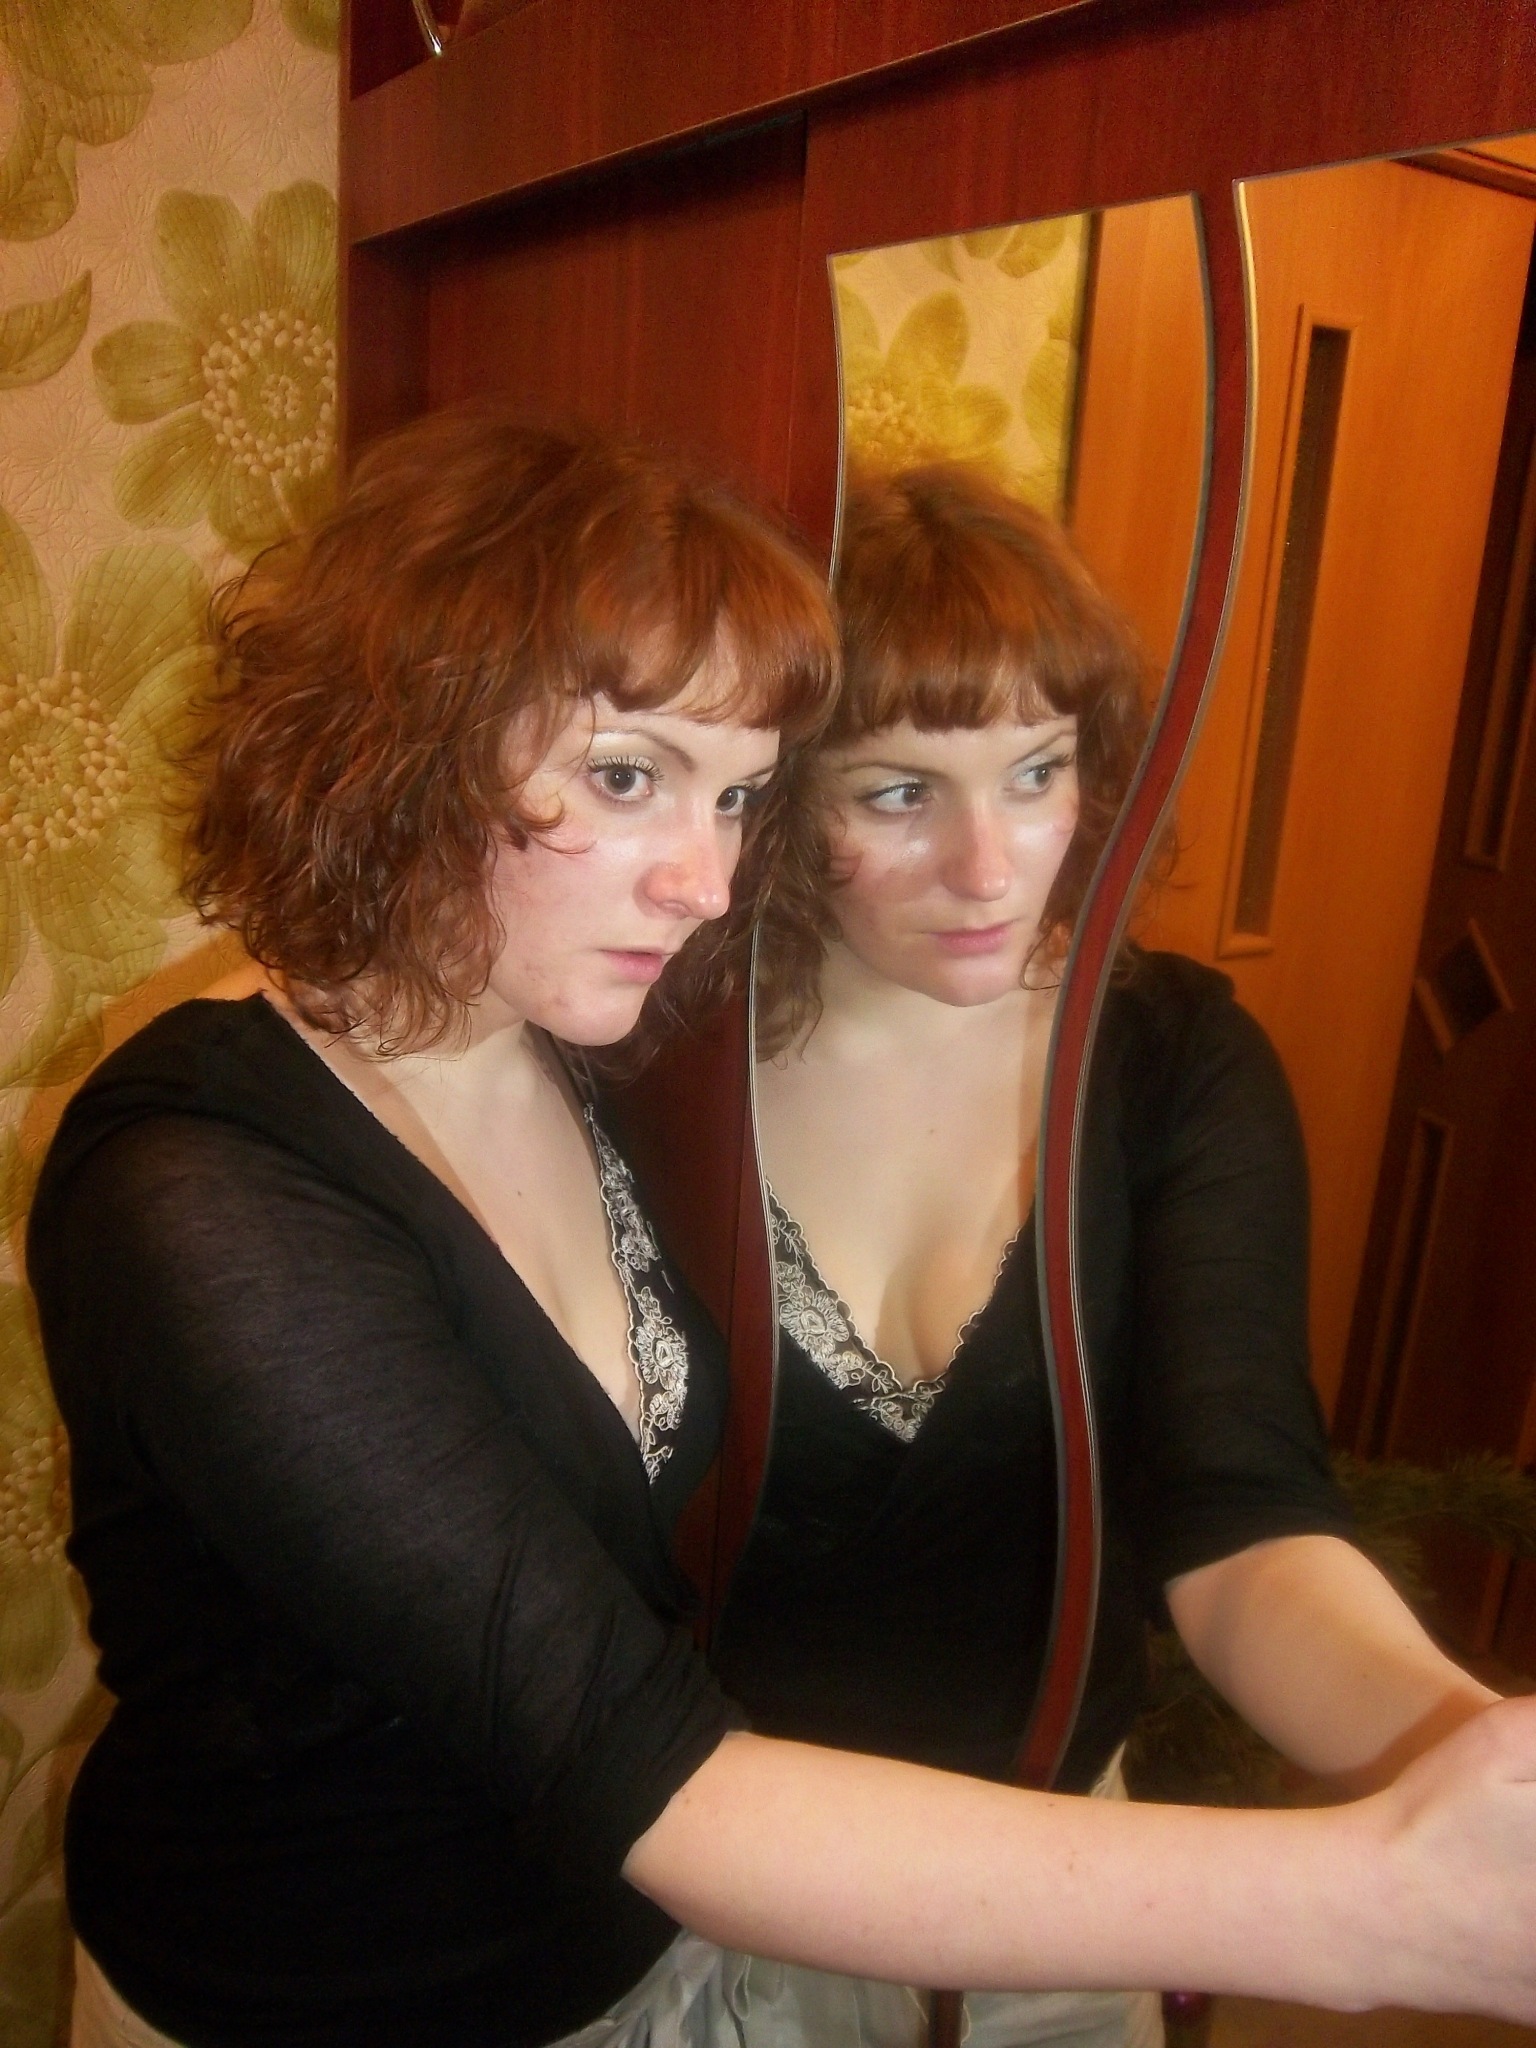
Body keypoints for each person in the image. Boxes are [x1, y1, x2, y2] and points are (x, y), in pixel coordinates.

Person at [24, 416, 1536, 2048]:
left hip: (630, 1964)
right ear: (404, 735)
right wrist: (1368, 1903)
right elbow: (629, 1748)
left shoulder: (558, 1043)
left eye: (739, 795)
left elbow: (1237, 1496)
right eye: (628, 777)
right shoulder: (207, 1183)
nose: (703, 884)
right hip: (323, 1996)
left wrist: (1460, 1759)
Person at [722, 462, 1529, 2045]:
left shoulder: (1175, 1064)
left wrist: (1460, 1752)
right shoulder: (660, 1058)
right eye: (898, 794)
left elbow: (1245, 1525)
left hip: (1060, 1905)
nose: (993, 865)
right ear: (778, 797)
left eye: (1038, 772)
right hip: (691, 1901)